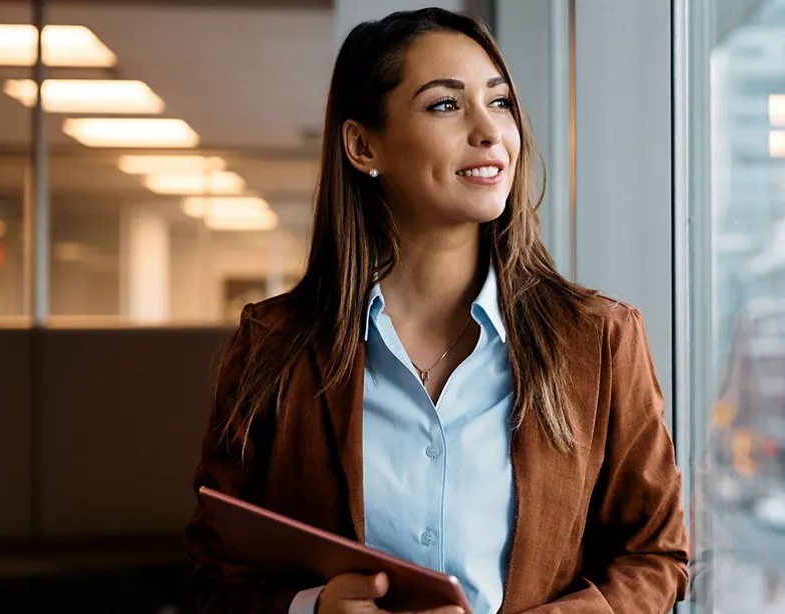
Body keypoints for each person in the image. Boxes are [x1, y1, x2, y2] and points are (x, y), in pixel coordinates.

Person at [183, 8, 688, 614]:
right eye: (445, 105)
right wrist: (313, 608)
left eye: (499, 102)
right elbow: (211, 574)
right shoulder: (273, 344)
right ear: (363, 145)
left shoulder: (599, 339)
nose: (489, 131)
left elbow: (658, 555)